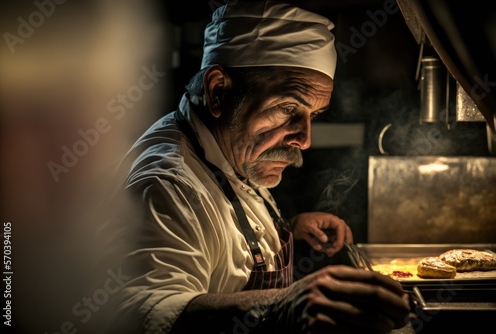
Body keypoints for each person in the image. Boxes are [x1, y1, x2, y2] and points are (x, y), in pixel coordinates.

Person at [106, 1, 412, 333]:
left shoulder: (230, 147)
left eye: (314, 115)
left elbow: (220, 237)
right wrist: (281, 306)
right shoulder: (168, 184)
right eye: (287, 108)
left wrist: (291, 229)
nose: (305, 139)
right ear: (218, 91)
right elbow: (142, 313)